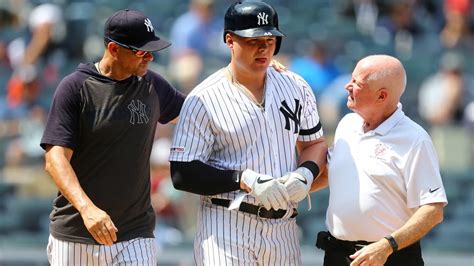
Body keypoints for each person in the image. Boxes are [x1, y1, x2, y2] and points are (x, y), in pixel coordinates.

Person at [169, 1, 327, 265]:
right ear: (230, 40)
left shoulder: (296, 86)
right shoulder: (204, 97)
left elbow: (315, 143)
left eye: (270, 39)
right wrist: (244, 179)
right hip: (227, 225)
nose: (264, 47)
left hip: (284, 229)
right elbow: (183, 173)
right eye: (253, 40)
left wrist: (306, 173)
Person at [40, 9, 185, 265]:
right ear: (114, 49)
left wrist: (254, 76)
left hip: (135, 233)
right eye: (141, 51)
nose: (150, 57)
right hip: (76, 234)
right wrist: (87, 209)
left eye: (152, 50)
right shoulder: (75, 88)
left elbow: (200, 110)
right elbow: (55, 160)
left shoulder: (151, 84)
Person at [314, 55, 448, 266]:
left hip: (390, 257)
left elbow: (433, 210)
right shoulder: (347, 125)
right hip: (337, 255)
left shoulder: (415, 139)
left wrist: (387, 246)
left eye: (357, 83)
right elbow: (332, 174)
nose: (347, 86)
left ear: (382, 96)